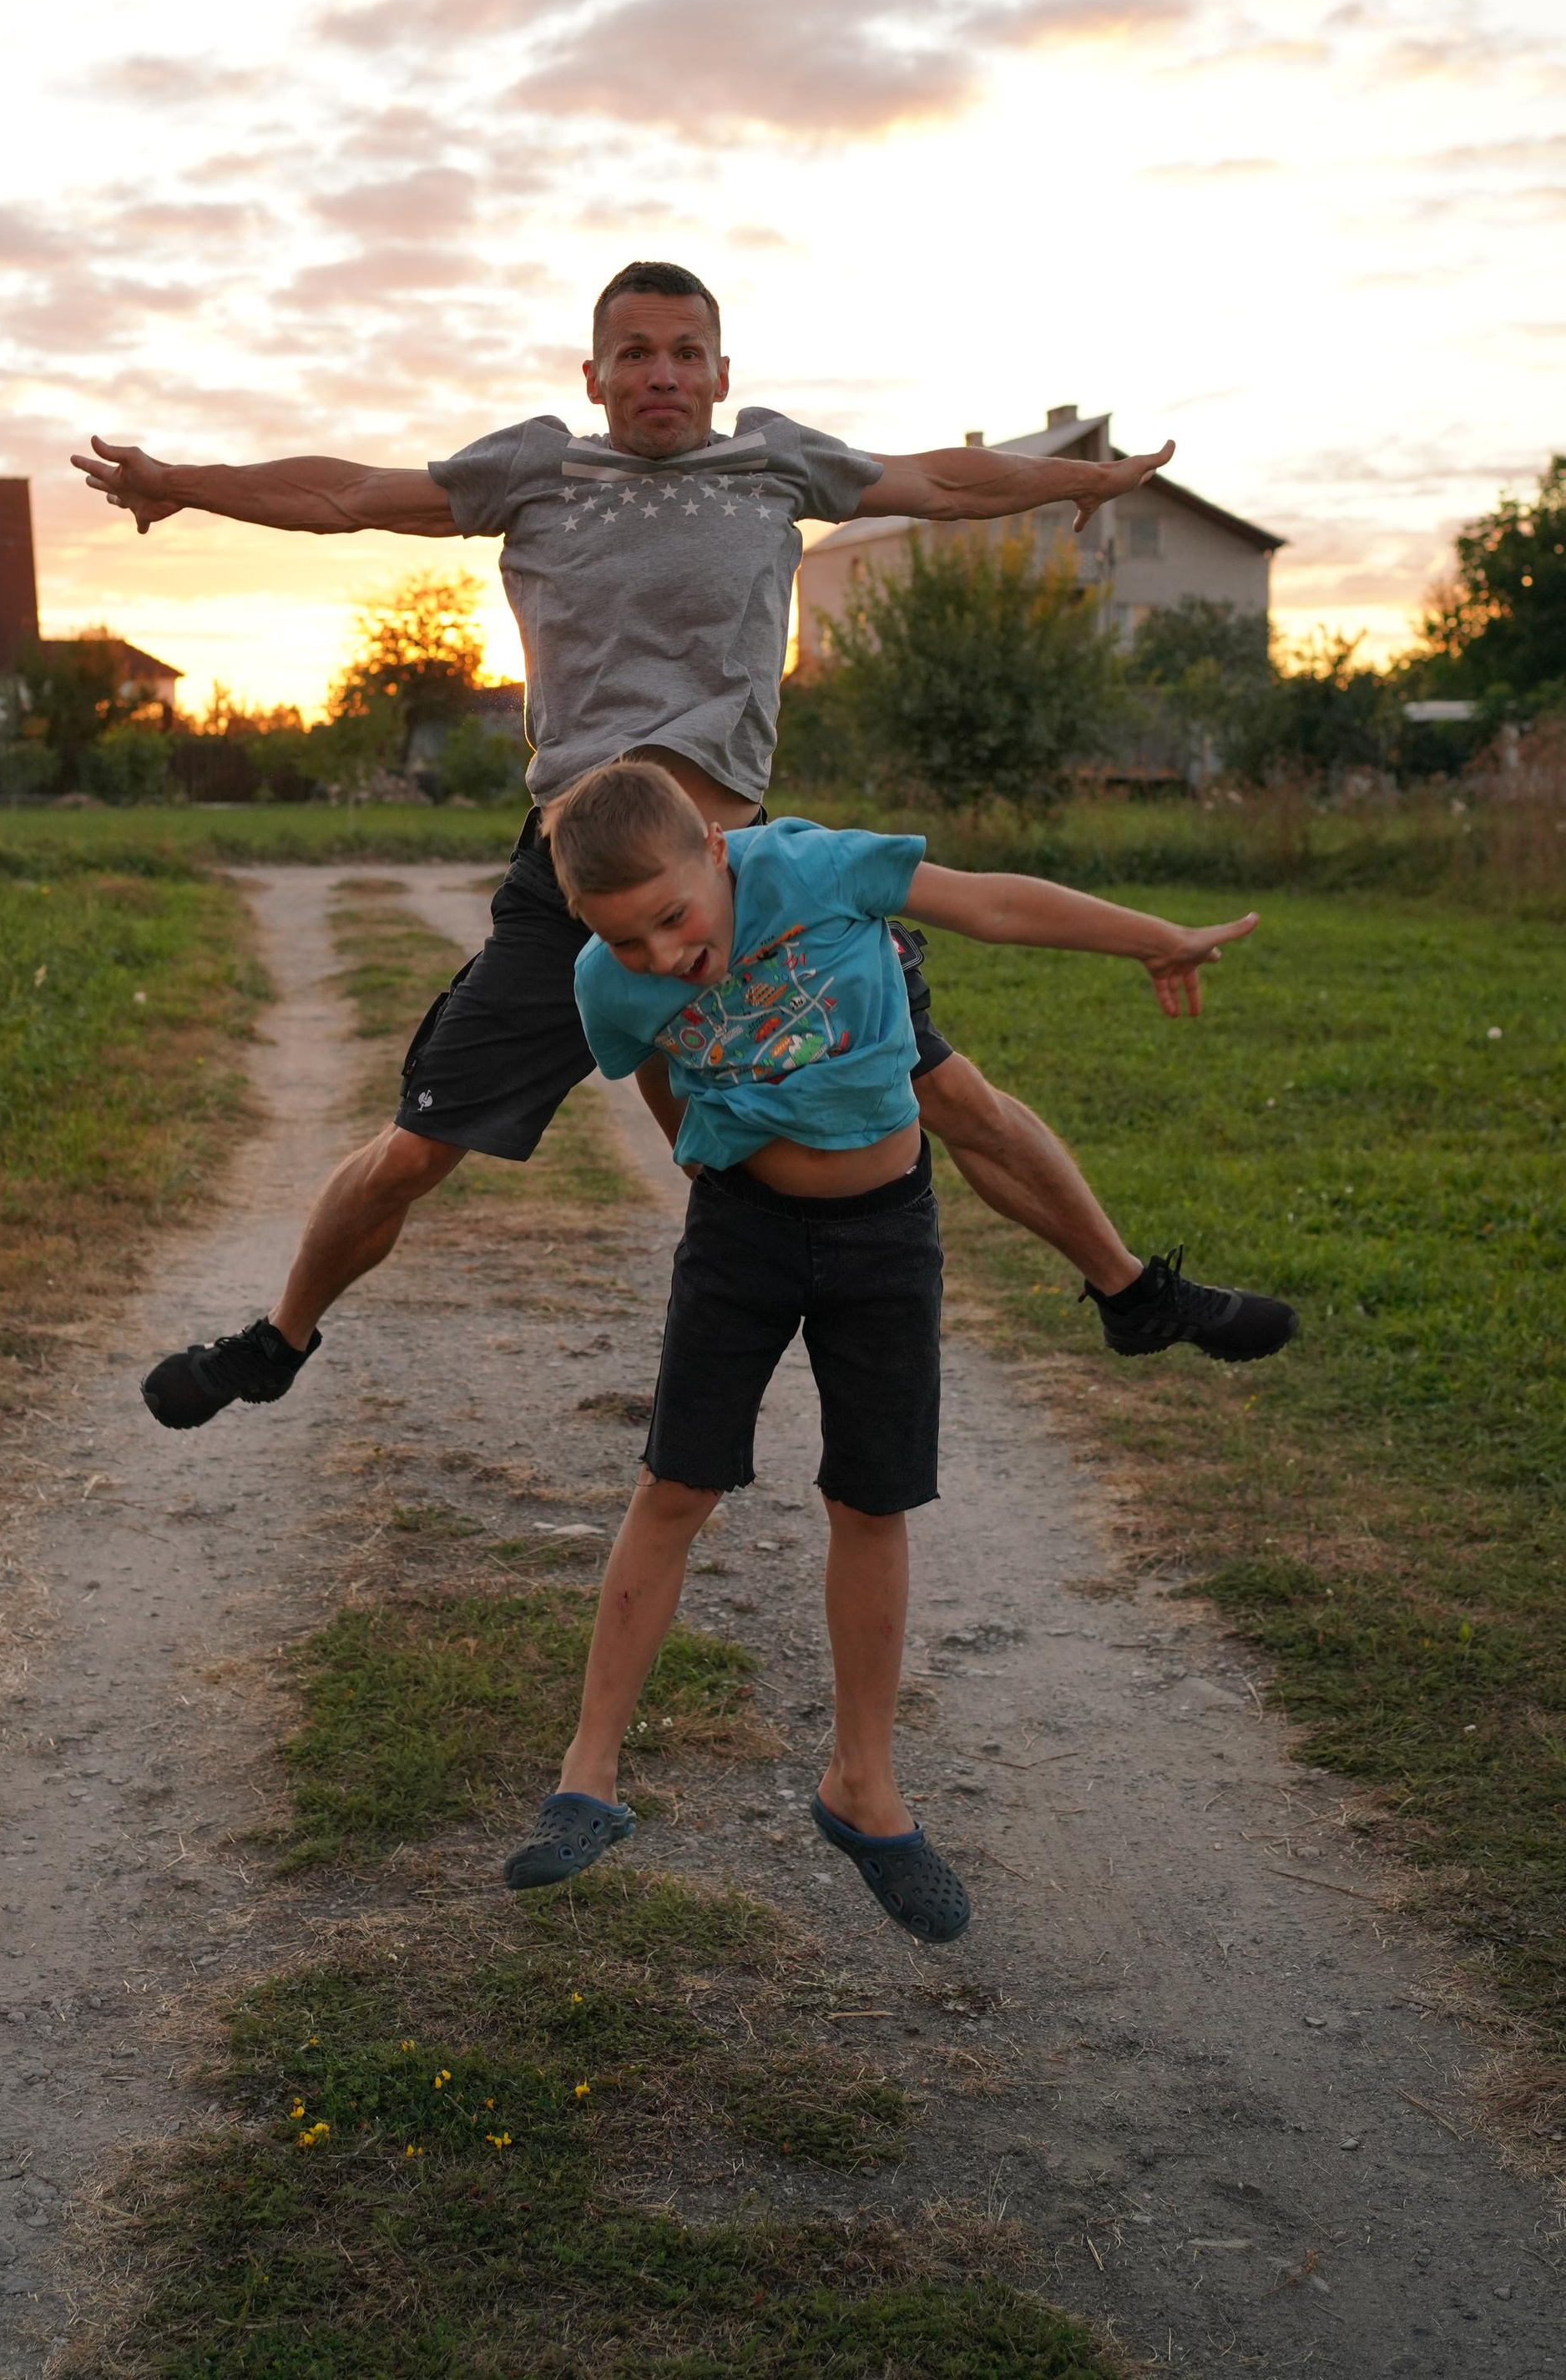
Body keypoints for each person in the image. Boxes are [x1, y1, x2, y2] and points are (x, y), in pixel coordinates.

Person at [70, 260, 1296, 1428]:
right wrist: (188, 479)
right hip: (578, 882)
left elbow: (944, 481)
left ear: (720, 371)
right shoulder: (539, 471)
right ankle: (280, 1338)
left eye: (685, 352)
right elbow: (345, 495)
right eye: (635, 353)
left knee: (946, 1093)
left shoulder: (775, 462)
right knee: (414, 1146)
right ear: (594, 374)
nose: (662, 372)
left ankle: (1131, 1294)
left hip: (743, 873)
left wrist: (1068, 483)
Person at [500, 759, 1270, 1940]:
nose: (661, 952)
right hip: (743, 1238)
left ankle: (863, 1785)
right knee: (674, 1485)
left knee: (872, 1500)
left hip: (884, 1236)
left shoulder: (816, 867)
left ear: (718, 846)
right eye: (628, 937)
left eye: (673, 916)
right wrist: (694, 1148)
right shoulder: (609, 978)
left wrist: (1152, 938)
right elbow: (647, 1056)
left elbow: (995, 903)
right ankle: (585, 1778)